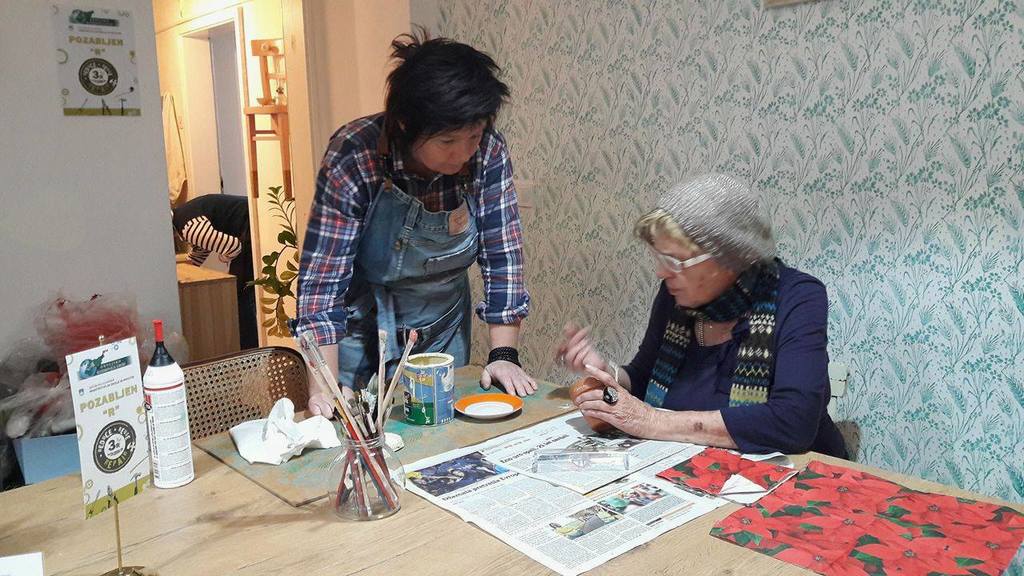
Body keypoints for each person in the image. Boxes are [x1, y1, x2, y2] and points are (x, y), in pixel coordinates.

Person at [293, 31, 535, 417]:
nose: (463, 153)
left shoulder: (487, 151)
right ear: (405, 124)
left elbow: (502, 253)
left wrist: (503, 354)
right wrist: (324, 388)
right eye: (447, 142)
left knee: (443, 432)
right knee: (356, 432)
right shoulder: (355, 154)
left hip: (442, 326)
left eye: (473, 136)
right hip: (362, 330)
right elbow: (322, 283)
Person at [556, 174, 848, 458]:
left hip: (797, 474)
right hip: (695, 467)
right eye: (659, 258)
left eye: (674, 260)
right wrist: (608, 373)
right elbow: (644, 378)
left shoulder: (797, 296)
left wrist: (652, 421)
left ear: (729, 256)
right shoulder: (675, 297)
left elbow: (793, 422)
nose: (661, 272)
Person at [172, 194, 257, 349]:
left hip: (250, 224)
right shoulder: (182, 216)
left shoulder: (188, 228)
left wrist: (223, 257)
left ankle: (250, 348)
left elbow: (234, 247)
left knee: (243, 293)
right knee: (243, 293)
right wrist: (188, 265)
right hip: (248, 218)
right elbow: (201, 249)